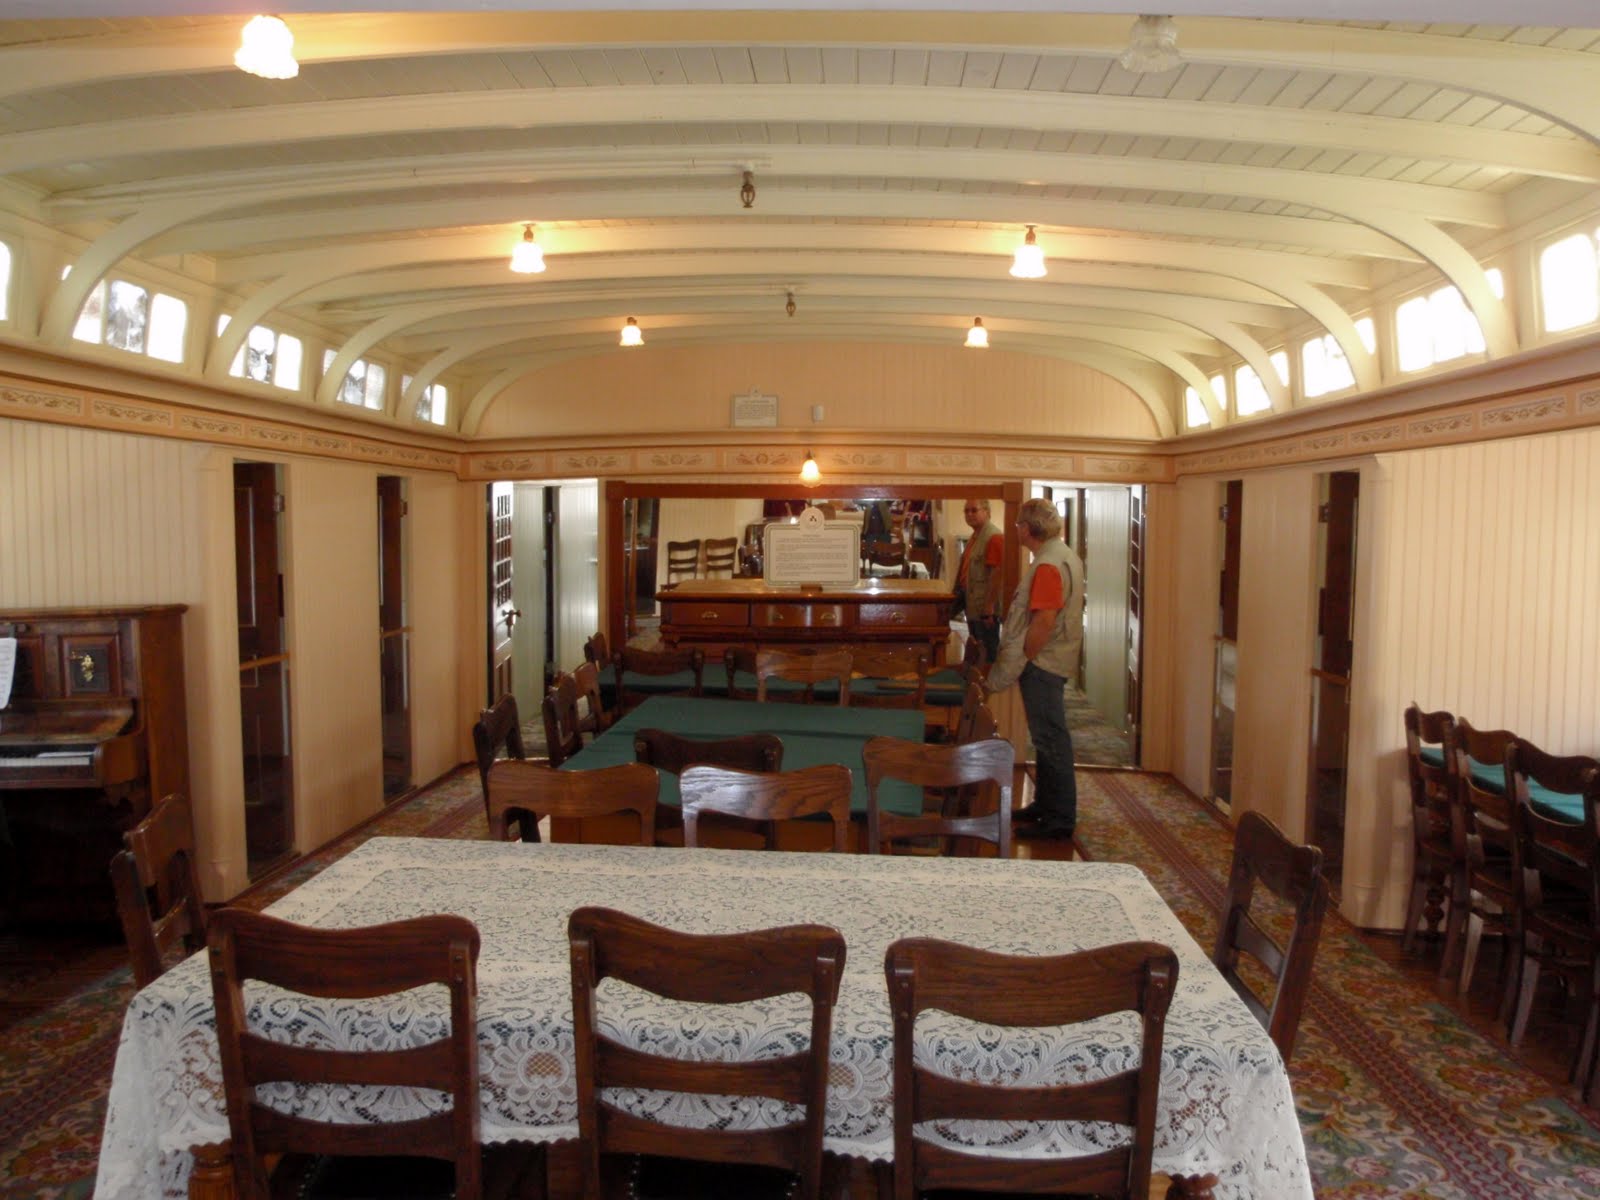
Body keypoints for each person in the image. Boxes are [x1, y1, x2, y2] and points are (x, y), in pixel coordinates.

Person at [983, 498, 1084, 841]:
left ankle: (1059, 819)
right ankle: (1045, 806)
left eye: (1018, 525)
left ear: (1027, 528)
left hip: (1043, 662)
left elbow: (1043, 619)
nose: (1016, 530)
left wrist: (1026, 656)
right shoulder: (1062, 555)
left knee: (1050, 738)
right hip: (1054, 658)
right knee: (1047, 738)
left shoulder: (1048, 565)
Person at [957, 499, 1004, 664]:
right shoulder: (975, 536)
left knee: (987, 653)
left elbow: (997, 574)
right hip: (972, 603)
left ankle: (986, 687)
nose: (969, 514)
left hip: (984, 609)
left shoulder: (994, 537)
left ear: (986, 512)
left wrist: (988, 608)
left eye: (974, 510)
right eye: (966, 511)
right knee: (975, 650)